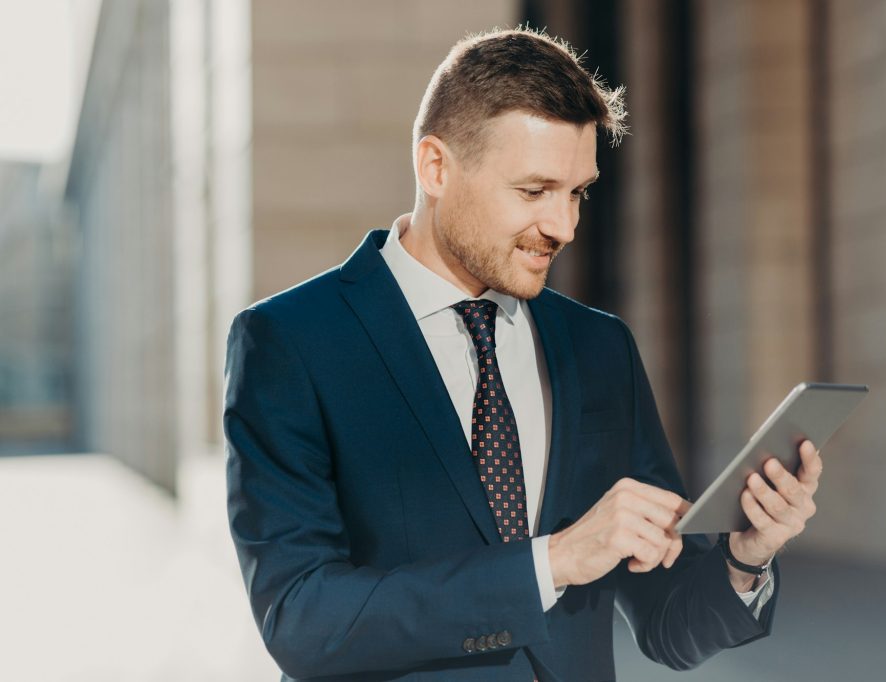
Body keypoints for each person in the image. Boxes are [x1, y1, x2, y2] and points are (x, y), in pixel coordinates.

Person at [224, 27, 821, 682]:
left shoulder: (600, 348)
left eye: (578, 193)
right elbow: (302, 620)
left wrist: (745, 556)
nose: (563, 226)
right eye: (534, 192)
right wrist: (552, 562)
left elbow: (668, 623)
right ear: (436, 167)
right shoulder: (291, 341)